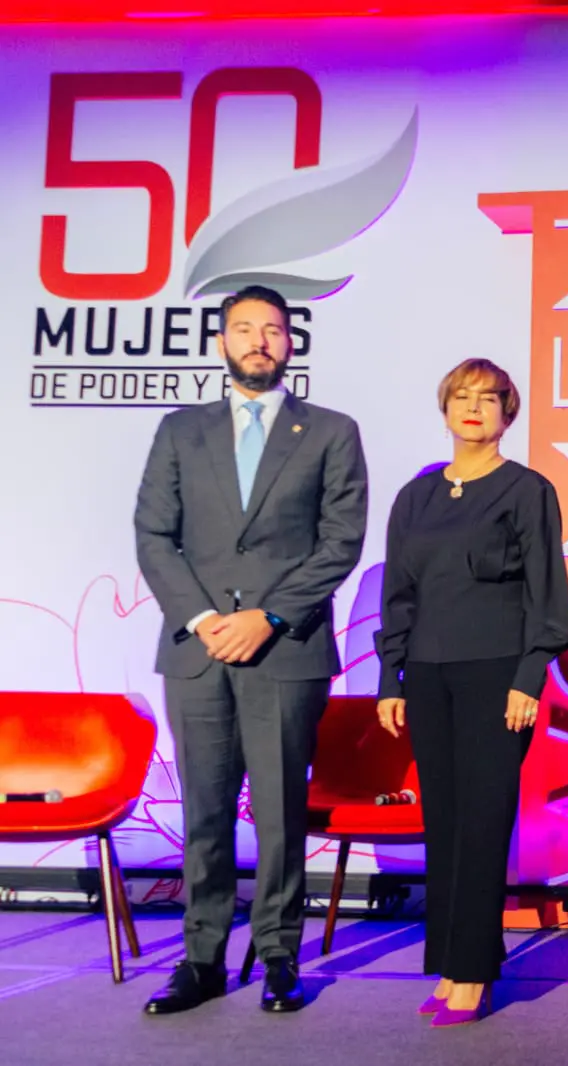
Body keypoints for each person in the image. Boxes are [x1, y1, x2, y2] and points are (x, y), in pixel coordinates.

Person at [134, 284, 368, 1015]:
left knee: (278, 811)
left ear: (290, 343)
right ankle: (201, 958)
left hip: (284, 650)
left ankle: (277, 956)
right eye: (244, 329)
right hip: (198, 650)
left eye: (272, 329)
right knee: (204, 812)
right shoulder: (180, 430)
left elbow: (341, 544)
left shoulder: (330, 430)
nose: (259, 340)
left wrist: (267, 616)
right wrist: (205, 617)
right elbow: (153, 536)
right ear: (220, 344)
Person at [373, 358, 568, 1027]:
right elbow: (397, 595)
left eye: (489, 398)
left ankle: (476, 974)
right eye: (462, 396)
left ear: (506, 413)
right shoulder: (415, 496)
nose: (474, 407)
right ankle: (451, 964)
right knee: (447, 825)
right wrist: (389, 676)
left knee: (485, 823)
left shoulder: (526, 490)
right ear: (444, 407)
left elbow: (547, 593)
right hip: (426, 675)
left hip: (496, 675)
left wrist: (529, 676)